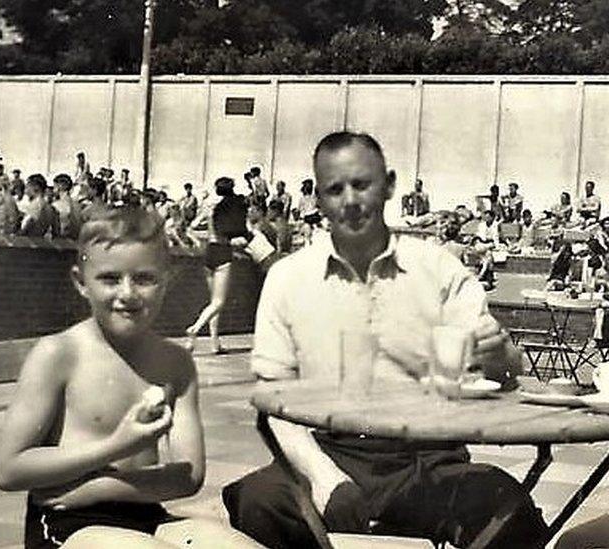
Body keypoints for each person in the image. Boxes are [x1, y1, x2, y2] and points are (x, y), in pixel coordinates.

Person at [221, 131, 544, 549]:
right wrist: (323, 476)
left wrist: (497, 353)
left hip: (430, 458)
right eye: (335, 190)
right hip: (329, 450)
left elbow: (501, 371)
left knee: (508, 510)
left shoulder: (437, 268)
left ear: (389, 185)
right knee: (260, 501)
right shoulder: (289, 278)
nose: (351, 200)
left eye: (362, 184)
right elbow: (273, 401)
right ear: (318, 200)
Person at [0, 207, 260, 549]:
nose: (128, 293)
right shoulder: (59, 355)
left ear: (167, 279)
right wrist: (116, 445)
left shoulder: (175, 363)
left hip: (141, 510)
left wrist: (99, 488)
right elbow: (9, 469)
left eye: (145, 278)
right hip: (66, 524)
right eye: (110, 278)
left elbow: (188, 474)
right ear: (81, 282)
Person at [185, 177, 249, 355]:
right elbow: (239, 234)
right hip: (223, 252)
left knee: (213, 303)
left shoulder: (208, 206)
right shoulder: (230, 207)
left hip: (209, 252)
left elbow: (191, 227)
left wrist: (199, 240)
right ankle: (195, 329)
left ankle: (215, 343)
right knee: (218, 302)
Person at [52, 174, 83, 239]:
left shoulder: (56, 205)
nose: (53, 190)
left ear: (61, 186)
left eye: (54, 186)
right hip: (75, 239)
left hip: (61, 239)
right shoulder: (77, 204)